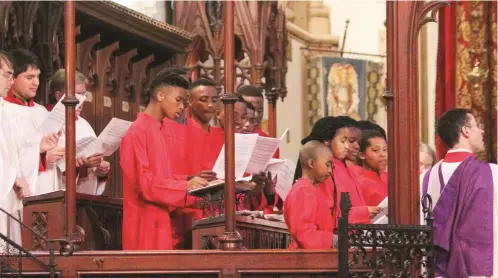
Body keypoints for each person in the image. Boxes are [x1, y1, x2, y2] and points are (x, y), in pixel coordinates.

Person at [119, 69, 209, 250]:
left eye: (184, 102)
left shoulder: (158, 129)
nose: (183, 107)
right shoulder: (138, 131)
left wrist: (189, 180)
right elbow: (146, 185)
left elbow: (163, 176)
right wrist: (185, 187)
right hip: (143, 223)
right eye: (178, 100)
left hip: (160, 221)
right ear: (160, 95)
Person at [421, 108, 497, 277]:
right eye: (477, 126)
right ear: (465, 131)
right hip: (481, 268)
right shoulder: (492, 174)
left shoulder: (426, 176)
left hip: (438, 267)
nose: (482, 131)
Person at [295, 116, 379, 224]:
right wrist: (364, 212)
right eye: (344, 141)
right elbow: (329, 214)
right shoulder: (325, 171)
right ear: (327, 142)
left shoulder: (346, 168)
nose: (348, 146)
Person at [2, 49, 63, 196]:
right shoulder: (4, 110)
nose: (36, 82)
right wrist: (41, 155)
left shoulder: (43, 112)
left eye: (37, 77)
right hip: (16, 196)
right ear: (13, 78)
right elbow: (7, 160)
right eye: (29, 77)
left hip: (49, 188)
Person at [48, 69, 110, 195]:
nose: (82, 101)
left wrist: (100, 168)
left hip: (85, 198)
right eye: (77, 95)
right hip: (60, 197)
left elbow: (96, 159)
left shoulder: (84, 124)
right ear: (59, 96)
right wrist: (83, 165)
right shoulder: (49, 122)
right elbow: (53, 168)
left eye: (84, 94)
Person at [0, 51, 32, 246]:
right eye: (6, 75)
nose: (10, 82)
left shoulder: (3, 112)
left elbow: (10, 154)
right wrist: (12, 178)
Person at [284, 140, 337, 249]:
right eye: (327, 165)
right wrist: (334, 240)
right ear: (312, 163)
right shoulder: (302, 190)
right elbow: (304, 234)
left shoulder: (312, 188)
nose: (330, 170)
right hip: (306, 259)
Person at [238, 85, 280, 157]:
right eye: (251, 109)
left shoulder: (268, 143)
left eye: (260, 110)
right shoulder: (227, 136)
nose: (256, 115)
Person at [356, 130, 388, 207]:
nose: (383, 154)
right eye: (376, 150)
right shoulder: (359, 182)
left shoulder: (388, 176)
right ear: (362, 155)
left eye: (385, 150)